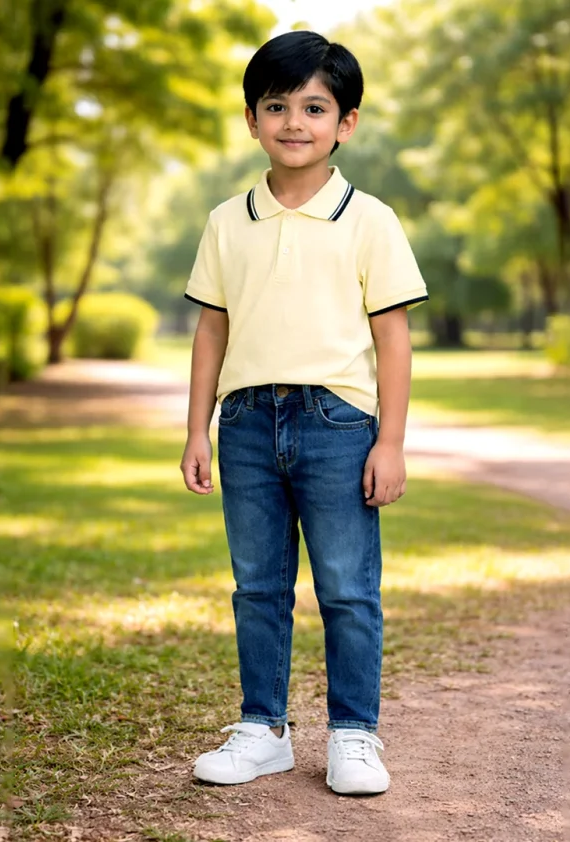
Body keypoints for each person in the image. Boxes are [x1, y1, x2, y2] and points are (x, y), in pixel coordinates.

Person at [180, 30, 428, 796]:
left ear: (345, 123)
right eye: (276, 105)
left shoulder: (370, 219)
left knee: (347, 588)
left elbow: (392, 336)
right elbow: (212, 328)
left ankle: (354, 734)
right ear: (251, 118)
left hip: (338, 426)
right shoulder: (227, 221)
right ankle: (263, 730)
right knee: (256, 587)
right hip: (246, 424)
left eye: (314, 108)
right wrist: (196, 429)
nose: (294, 121)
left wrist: (390, 441)